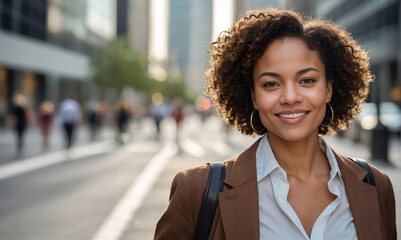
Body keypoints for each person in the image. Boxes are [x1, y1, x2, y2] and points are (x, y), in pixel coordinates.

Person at [154, 9, 396, 240]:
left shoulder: (375, 185)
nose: (290, 97)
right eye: (271, 84)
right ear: (253, 96)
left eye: (307, 80)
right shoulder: (195, 191)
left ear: (329, 89)